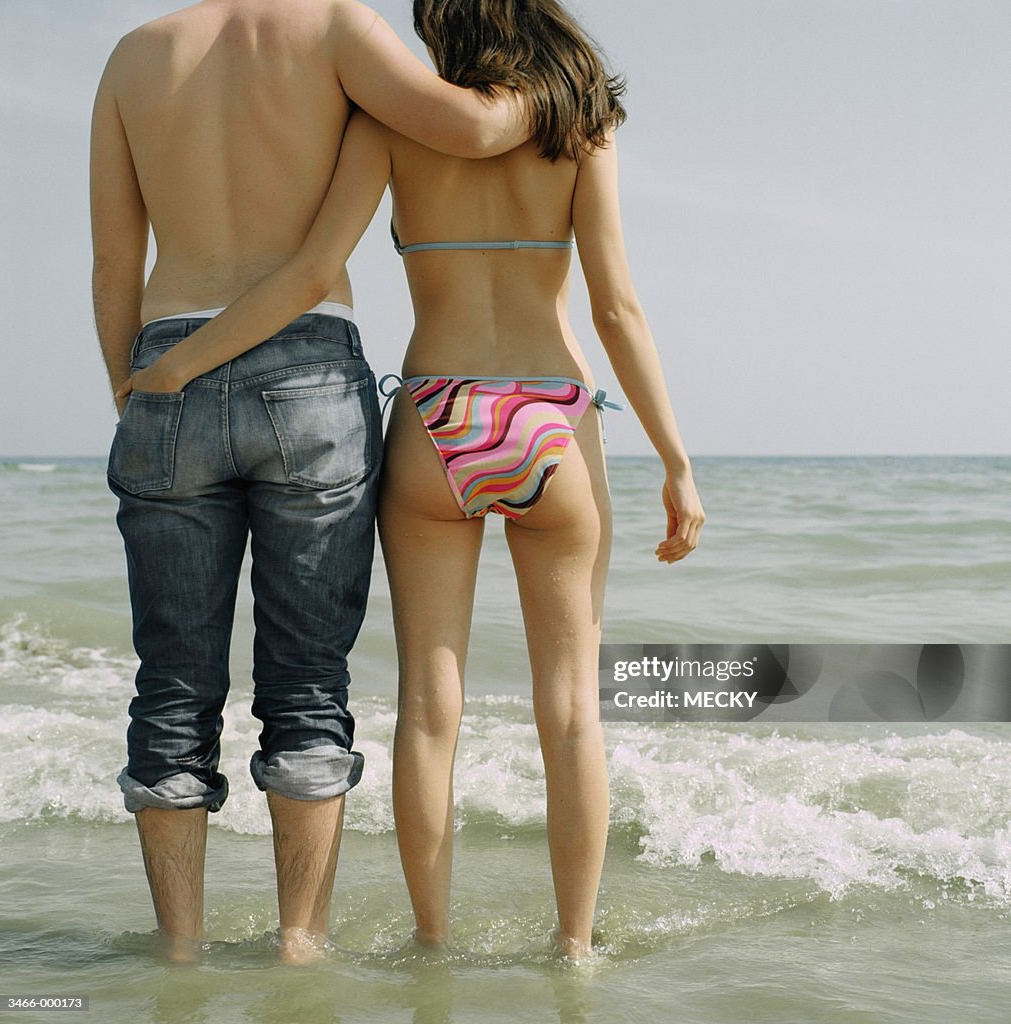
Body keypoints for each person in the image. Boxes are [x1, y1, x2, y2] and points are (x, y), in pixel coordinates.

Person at [117, 0, 705, 958]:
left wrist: (182, 363)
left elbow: (313, 269)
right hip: (550, 416)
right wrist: (677, 462)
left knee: (431, 706)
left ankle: (432, 940)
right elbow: (617, 306)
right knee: (570, 710)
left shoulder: (387, 121)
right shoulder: (580, 119)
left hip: (435, 418)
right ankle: (574, 947)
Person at [90, 0, 527, 964]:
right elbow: (477, 125)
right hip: (309, 375)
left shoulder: (134, 54)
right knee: (308, 684)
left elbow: (116, 256)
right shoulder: (336, 27)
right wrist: (565, 80)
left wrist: (134, 393)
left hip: (165, 363)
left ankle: (180, 949)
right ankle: (300, 941)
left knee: (170, 685)